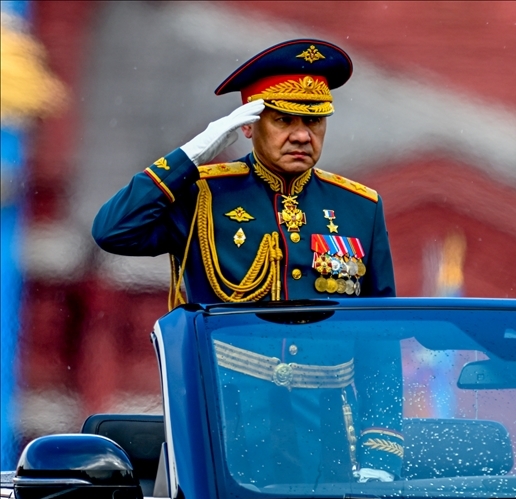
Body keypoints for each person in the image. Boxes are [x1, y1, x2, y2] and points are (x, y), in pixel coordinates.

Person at [93, 39, 396, 306]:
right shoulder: (203, 194)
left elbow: (381, 327)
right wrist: (190, 156)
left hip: (329, 372)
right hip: (233, 372)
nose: (302, 136)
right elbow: (113, 231)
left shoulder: (360, 206)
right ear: (248, 125)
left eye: (313, 122)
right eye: (284, 120)